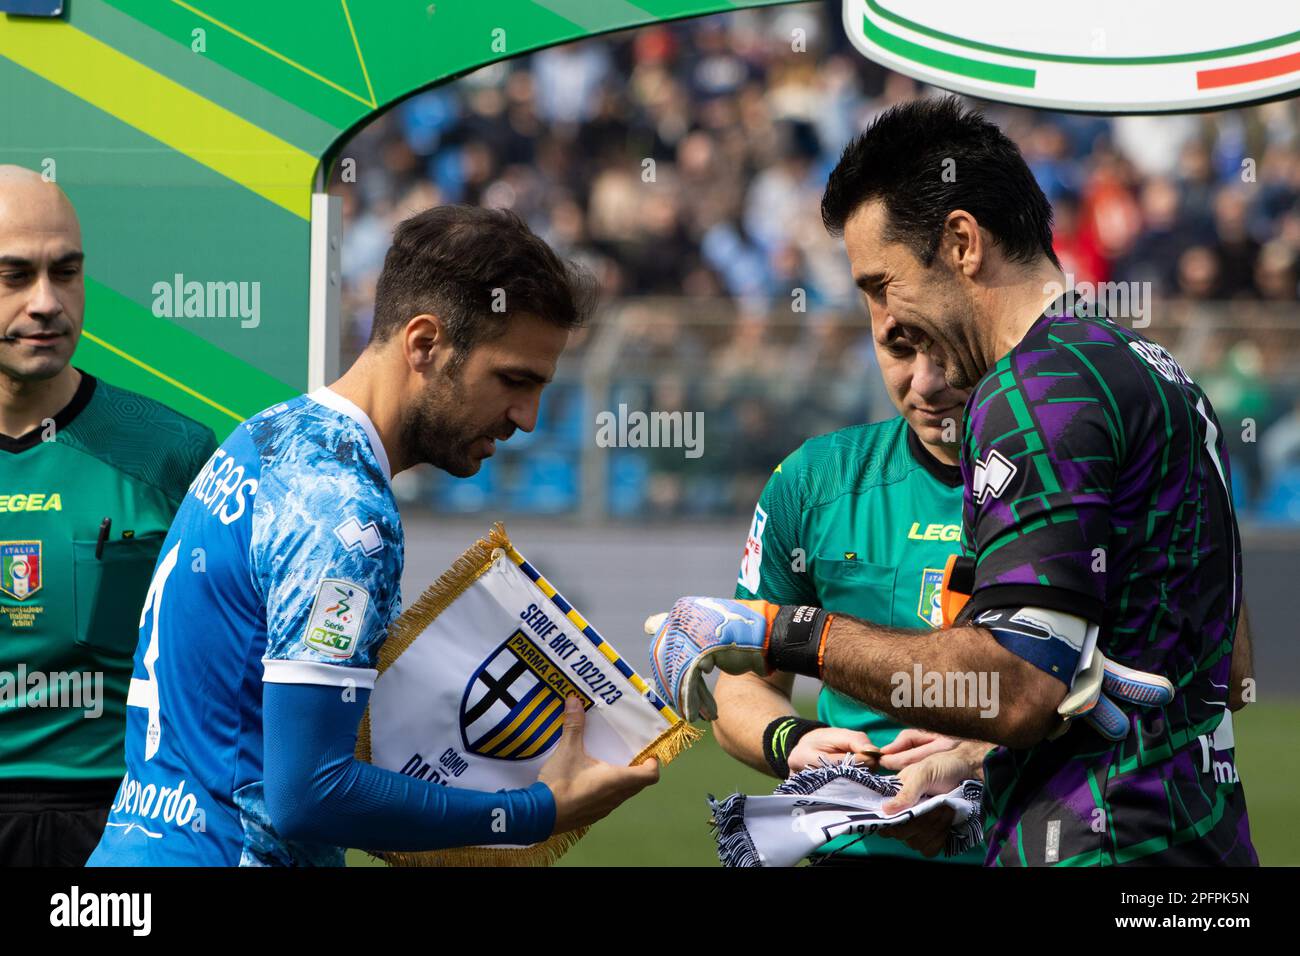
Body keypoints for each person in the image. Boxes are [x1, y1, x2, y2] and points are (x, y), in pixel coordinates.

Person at [649, 98, 1256, 866]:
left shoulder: (1034, 390)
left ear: (963, 242)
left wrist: (779, 632)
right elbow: (1229, 670)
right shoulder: (1156, 373)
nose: (883, 318)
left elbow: (1019, 688)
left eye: (881, 283)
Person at [89, 205, 658, 866]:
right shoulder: (345, 516)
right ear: (424, 344)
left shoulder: (268, 435)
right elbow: (309, 792)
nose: (527, 419)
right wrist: (536, 812)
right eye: (513, 380)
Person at [713, 304, 989, 864]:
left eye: (948, 351)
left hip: (1030, 844)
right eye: (900, 351)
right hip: (856, 849)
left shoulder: (1081, 481)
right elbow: (743, 685)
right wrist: (793, 742)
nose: (927, 383)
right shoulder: (813, 481)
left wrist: (988, 755)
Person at [0, 166, 216, 865]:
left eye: (66, 273)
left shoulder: (172, 452)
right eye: (14, 275)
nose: (45, 303)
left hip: (124, 823)